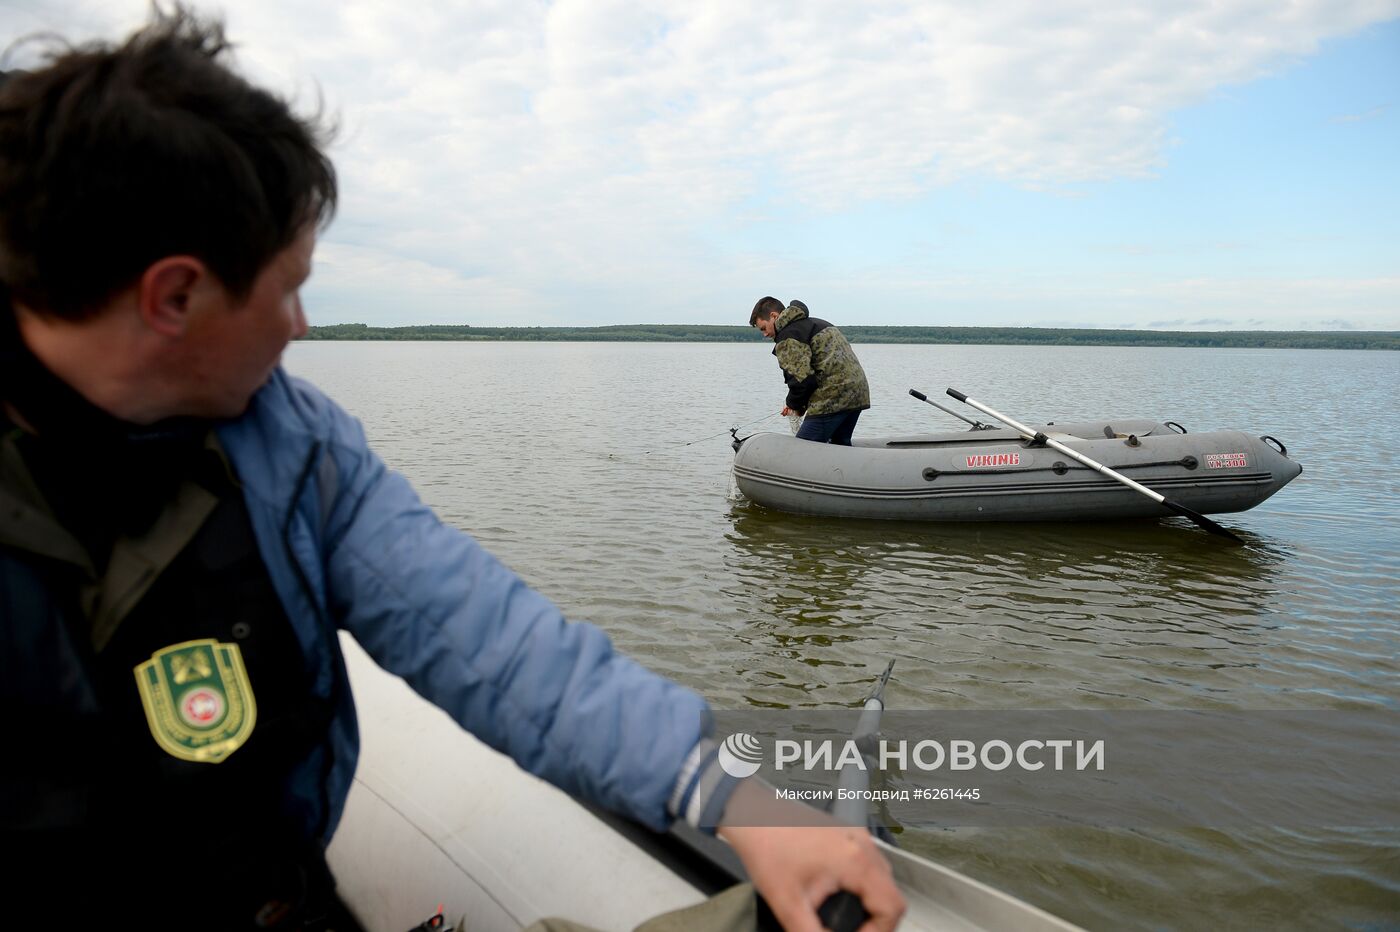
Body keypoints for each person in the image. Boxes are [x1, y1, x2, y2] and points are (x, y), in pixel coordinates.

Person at [0, 11, 903, 932]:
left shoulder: (295, 444)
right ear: (175, 296)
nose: (303, 325)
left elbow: (491, 640)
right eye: (288, 288)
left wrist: (726, 790)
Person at [750, 297, 870, 445]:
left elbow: (802, 382)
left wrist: (794, 406)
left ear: (774, 316)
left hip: (833, 397)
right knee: (840, 447)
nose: (765, 334)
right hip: (858, 392)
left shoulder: (788, 335)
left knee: (803, 450)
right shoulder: (816, 323)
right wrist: (797, 405)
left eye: (763, 328)